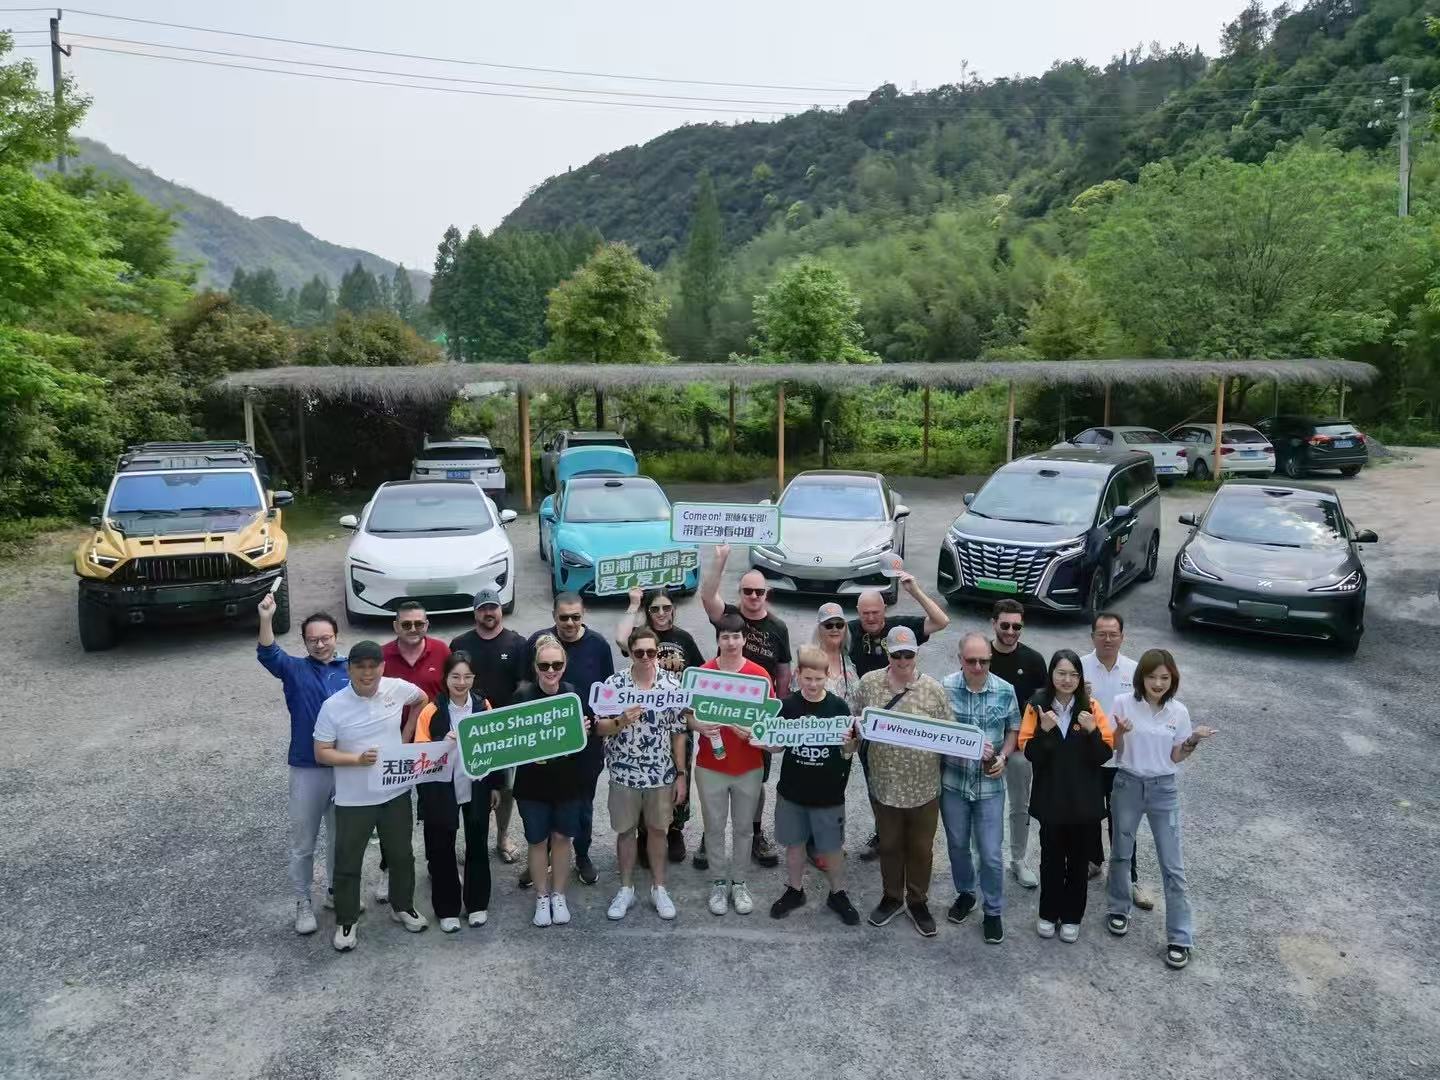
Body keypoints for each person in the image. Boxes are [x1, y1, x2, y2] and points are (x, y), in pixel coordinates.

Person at [313, 641, 430, 952]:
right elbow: (321, 752)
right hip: (354, 799)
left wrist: (406, 736)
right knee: (349, 861)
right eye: (360, 666)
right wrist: (355, 760)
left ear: (382, 667)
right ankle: (347, 919)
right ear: (349, 669)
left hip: (395, 791)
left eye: (373, 666)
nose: (368, 672)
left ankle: (402, 905)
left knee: (402, 854)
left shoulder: (396, 688)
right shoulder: (334, 706)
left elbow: (422, 699)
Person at [1105, 649, 1216, 970]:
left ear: (1173, 680)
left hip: (1163, 789)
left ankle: (1180, 937)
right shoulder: (1124, 703)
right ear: (1141, 677)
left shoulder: (1178, 712)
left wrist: (1193, 740)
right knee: (1122, 852)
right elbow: (1113, 748)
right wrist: (1119, 733)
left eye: (1164, 678)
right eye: (1152, 676)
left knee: (1173, 864)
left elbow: (1176, 756)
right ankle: (1117, 908)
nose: (1157, 683)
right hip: (1127, 783)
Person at [256, 595, 352, 935]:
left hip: (345, 767)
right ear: (305, 642)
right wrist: (266, 618)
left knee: (342, 839)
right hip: (307, 768)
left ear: (336, 637)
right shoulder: (295, 669)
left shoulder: (350, 670)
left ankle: (334, 891)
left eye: (325, 638)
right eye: (313, 639)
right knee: (303, 841)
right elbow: (268, 653)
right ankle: (302, 901)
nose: (320, 644)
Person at [853, 625, 954, 937]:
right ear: (888, 653)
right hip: (884, 785)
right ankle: (892, 896)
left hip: (924, 787)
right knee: (891, 845)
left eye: (908, 653)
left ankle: (918, 901)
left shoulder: (933, 690)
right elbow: (854, 723)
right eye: (897, 654)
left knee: (921, 849)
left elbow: (950, 735)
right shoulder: (869, 684)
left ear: (917, 653)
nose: (903, 660)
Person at [700, 543, 790, 869]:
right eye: (747, 591)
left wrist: (777, 714)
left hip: (755, 716)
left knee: (755, 779)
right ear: (740, 592)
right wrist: (720, 559)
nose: (753, 596)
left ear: (767, 594)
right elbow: (707, 596)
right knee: (716, 773)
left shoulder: (778, 627)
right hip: (719, 711)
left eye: (759, 592)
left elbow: (783, 671)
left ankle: (754, 831)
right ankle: (707, 838)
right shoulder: (730, 619)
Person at [848, 573, 949, 862]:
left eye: (876, 612)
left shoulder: (901, 629)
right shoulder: (850, 630)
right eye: (865, 613)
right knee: (875, 781)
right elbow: (824, 638)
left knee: (912, 778)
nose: (871, 618)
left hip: (907, 716)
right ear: (858, 613)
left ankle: (908, 834)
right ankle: (884, 833)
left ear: (884, 611)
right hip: (872, 723)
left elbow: (941, 622)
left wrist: (915, 590)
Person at [1018, 649, 1114, 944]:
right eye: (1061, 673)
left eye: (1073, 674)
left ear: (1080, 678)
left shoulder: (1091, 707)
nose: (1067, 679)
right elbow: (1030, 753)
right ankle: (1048, 912)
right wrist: (1044, 733)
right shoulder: (1037, 706)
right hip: (1051, 800)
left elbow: (1104, 754)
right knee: (1051, 861)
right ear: (1051, 675)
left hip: (1084, 802)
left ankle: (1072, 916)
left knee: (1078, 861)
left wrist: (1091, 732)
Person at [594, 628, 690, 921]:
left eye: (652, 652)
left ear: (658, 652)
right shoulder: (615, 684)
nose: (646, 658)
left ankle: (659, 888)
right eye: (640, 652)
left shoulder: (672, 685)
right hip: (623, 771)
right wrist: (621, 721)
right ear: (631, 653)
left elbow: (678, 733)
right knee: (625, 832)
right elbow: (599, 727)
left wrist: (681, 773)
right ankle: (626, 888)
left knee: (659, 831)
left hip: (660, 773)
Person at [525, 592, 615, 887]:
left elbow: (606, 695)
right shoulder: (538, 643)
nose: (570, 623)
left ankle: (583, 856)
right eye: (564, 617)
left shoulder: (599, 645)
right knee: (544, 801)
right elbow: (524, 688)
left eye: (576, 617)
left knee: (582, 805)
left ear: (583, 614)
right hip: (544, 742)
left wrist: (598, 725)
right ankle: (543, 857)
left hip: (586, 745)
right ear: (554, 616)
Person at [768, 645, 862, 926]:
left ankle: (838, 893)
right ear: (798, 675)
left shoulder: (838, 707)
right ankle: (795, 889)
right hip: (793, 791)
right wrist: (763, 741)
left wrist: (850, 742)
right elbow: (776, 747)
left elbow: (849, 751)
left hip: (828, 793)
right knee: (794, 845)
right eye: (807, 678)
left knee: (831, 847)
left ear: (827, 676)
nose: (812, 684)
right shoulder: (787, 706)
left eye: (818, 679)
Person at [413, 652, 504, 932]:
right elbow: (420, 753)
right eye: (455, 676)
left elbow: (496, 747)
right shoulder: (432, 710)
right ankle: (447, 908)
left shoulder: (483, 705)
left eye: (467, 677)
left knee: (477, 843)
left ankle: (477, 904)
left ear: (474, 679)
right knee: (442, 847)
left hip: (476, 785)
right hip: (442, 788)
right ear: (445, 679)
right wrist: (443, 742)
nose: (461, 682)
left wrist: (495, 785)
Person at [939, 633, 1021, 945]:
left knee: (990, 854)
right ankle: (966, 893)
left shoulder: (1004, 689)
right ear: (959, 659)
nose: (977, 666)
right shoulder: (944, 687)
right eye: (970, 660)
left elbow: (1013, 727)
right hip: (954, 782)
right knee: (957, 845)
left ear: (990, 660)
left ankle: (993, 911)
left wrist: (1003, 756)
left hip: (990, 785)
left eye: (983, 661)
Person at [691, 613, 772, 916]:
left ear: (744, 639)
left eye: (736, 636)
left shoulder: (759, 674)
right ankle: (717, 882)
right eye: (725, 637)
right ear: (718, 641)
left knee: (743, 829)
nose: (731, 642)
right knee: (713, 828)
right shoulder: (703, 673)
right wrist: (698, 725)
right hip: (710, 765)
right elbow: (688, 713)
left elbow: (769, 722)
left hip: (748, 766)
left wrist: (755, 733)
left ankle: (739, 883)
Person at [615, 587, 704, 864]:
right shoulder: (640, 638)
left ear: (674, 609)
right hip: (643, 724)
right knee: (645, 778)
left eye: (666, 607)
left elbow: (698, 675)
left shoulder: (684, 638)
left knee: (679, 774)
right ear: (647, 611)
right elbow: (620, 639)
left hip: (675, 720)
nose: (661, 613)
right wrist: (633, 604)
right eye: (655, 608)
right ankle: (645, 833)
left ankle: (674, 830)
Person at [511, 635, 594, 928]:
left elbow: (587, 736)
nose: (550, 670)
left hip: (567, 781)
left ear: (564, 665)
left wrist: (586, 728)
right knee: (537, 841)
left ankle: (558, 895)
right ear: (535, 666)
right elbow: (511, 742)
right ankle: (541, 896)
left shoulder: (573, 694)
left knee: (562, 839)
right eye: (544, 664)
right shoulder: (522, 697)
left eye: (556, 664)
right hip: (532, 784)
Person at [375, 600, 450, 904]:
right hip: (395, 748)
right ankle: (388, 869)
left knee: (434, 812)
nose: (413, 629)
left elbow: (450, 693)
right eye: (406, 624)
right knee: (392, 814)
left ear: (427, 625)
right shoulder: (381, 656)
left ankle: (437, 867)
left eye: (419, 623)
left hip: (432, 748)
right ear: (396, 626)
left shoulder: (442, 651)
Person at [449, 589, 528, 865]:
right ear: (475, 613)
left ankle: (502, 836)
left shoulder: (518, 643)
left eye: (493, 607)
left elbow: (524, 685)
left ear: (501, 609)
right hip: (470, 727)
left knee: (505, 789)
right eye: (483, 608)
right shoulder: (460, 643)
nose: (488, 613)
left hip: (505, 728)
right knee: (468, 786)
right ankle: (473, 840)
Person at [1080, 612, 1149, 908]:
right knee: (1088, 814)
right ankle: (1093, 861)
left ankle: (1127, 877)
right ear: (1092, 635)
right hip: (1088, 758)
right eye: (1101, 633)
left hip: (1123, 760)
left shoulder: (1135, 672)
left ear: (1123, 636)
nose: (1107, 639)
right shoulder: (1078, 667)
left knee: (1123, 821)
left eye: (1113, 634)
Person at [986, 599, 1047, 890]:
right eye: (1005, 625)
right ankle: (985, 858)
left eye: (1017, 626)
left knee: (1020, 806)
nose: (1011, 631)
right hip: (985, 748)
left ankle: (1018, 860)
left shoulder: (1034, 661)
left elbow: (1044, 704)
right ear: (993, 623)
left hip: (1021, 749)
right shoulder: (980, 656)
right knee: (984, 805)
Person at [806, 602, 861, 704]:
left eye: (839, 625)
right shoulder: (808, 663)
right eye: (828, 625)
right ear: (819, 629)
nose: (835, 629)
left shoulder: (851, 658)